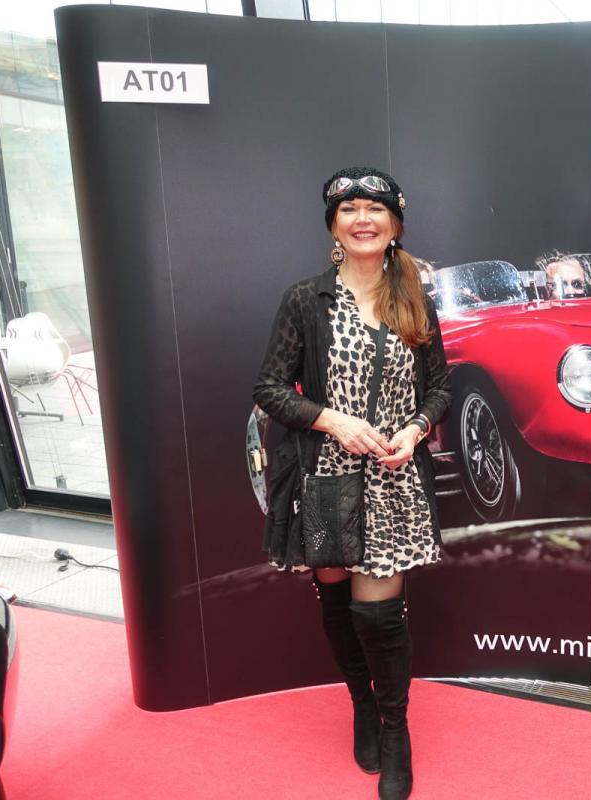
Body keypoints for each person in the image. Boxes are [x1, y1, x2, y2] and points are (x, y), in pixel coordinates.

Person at [252, 166, 450, 800]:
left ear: (395, 224)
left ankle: (395, 731)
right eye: (349, 209)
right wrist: (332, 420)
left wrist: (415, 430)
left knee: (380, 615)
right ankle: (362, 703)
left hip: (393, 481)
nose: (363, 219)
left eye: (376, 209)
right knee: (337, 605)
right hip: (327, 480)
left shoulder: (414, 296)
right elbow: (269, 389)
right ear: (334, 226)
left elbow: (441, 388)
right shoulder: (305, 300)